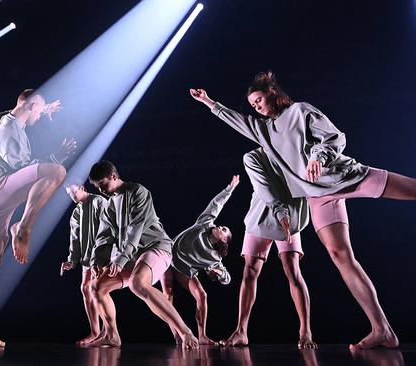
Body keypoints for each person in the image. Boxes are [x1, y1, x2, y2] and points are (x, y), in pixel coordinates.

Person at [189, 71, 416, 349]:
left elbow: (334, 137)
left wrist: (318, 157)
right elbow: (237, 121)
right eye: (252, 105)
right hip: (319, 197)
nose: (256, 107)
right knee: (340, 256)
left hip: (348, 177)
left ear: (271, 94)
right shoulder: (262, 129)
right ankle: (383, 329)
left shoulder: (300, 111)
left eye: (259, 100)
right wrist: (210, 104)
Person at [0, 89, 76, 347]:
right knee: (56, 172)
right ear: (30, 106)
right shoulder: (9, 128)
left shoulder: (9, 122)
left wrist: (43, 108)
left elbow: (25, 114)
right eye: (39, 110)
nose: (40, 116)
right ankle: (23, 228)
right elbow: (24, 169)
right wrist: (54, 160)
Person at [86, 160, 199, 349]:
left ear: (114, 176)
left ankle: (185, 331)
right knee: (97, 287)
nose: (101, 190)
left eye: (103, 185)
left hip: (156, 247)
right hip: (132, 257)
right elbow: (104, 236)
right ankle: (112, 336)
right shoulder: (108, 205)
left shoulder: (138, 191)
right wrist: (98, 260)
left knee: (138, 284)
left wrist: (120, 260)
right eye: (97, 187)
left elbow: (134, 230)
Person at [221, 148, 316, 349]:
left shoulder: (295, 149)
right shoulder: (255, 156)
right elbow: (265, 187)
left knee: (292, 270)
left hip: (290, 213)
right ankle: (241, 331)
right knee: (249, 271)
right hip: (261, 214)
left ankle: (305, 331)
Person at [160, 175, 239, 346]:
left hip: (183, 269)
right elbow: (216, 205)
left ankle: (202, 335)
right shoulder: (205, 223)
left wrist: (217, 272)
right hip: (167, 257)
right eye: (221, 226)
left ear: (223, 240)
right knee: (168, 294)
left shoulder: (214, 257)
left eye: (223, 230)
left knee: (202, 295)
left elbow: (227, 279)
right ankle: (177, 333)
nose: (220, 226)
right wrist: (229, 189)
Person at [60, 183, 107, 346]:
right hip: (87, 259)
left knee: (98, 290)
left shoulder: (99, 202)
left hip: (102, 256)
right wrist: (71, 261)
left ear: (81, 188)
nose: (72, 197)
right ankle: (95, 331)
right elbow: (75, 240)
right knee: (85, 288)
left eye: (73, 192)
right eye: (69, 194)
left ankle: (108, 332)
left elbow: (108, 229)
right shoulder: (76, 213)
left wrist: (101, 257)